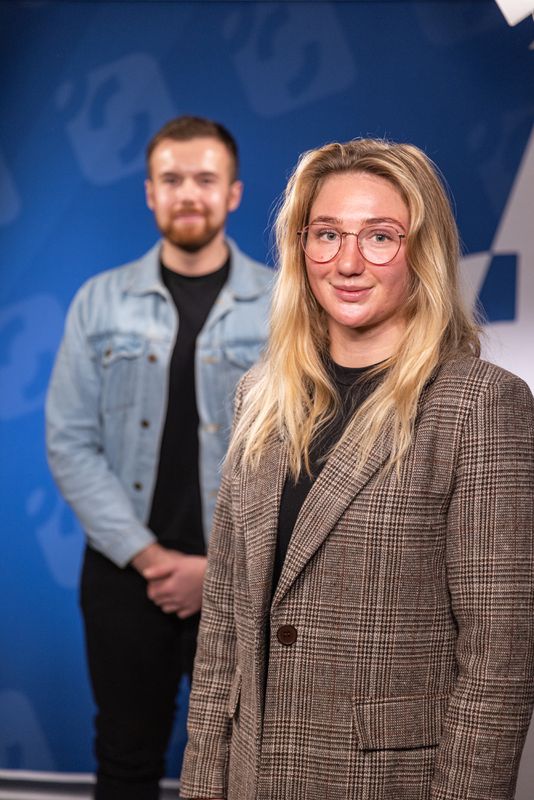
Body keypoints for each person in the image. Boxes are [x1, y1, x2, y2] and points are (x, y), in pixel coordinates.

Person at [179, 138, 534, 800]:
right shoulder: (261, 395)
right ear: (300, 249)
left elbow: (500, 662)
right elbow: (223, 630)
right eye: (326, 234)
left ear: (420, 254)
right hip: (252, 778)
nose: (346, 262)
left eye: (379, 237)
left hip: (383, 783)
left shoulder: (480, 404)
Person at [45, 115, 272, 800]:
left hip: (243, 573)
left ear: (233, 193)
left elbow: (303, 450)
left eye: (206, 178)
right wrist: (152, 559)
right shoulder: (99, 301)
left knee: (246, 768)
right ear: (149, 193)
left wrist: (218, 569)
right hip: (125, 576)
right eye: (171, 179)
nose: (188, 193)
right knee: (125, 758)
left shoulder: (288, 304)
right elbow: (68, 440)